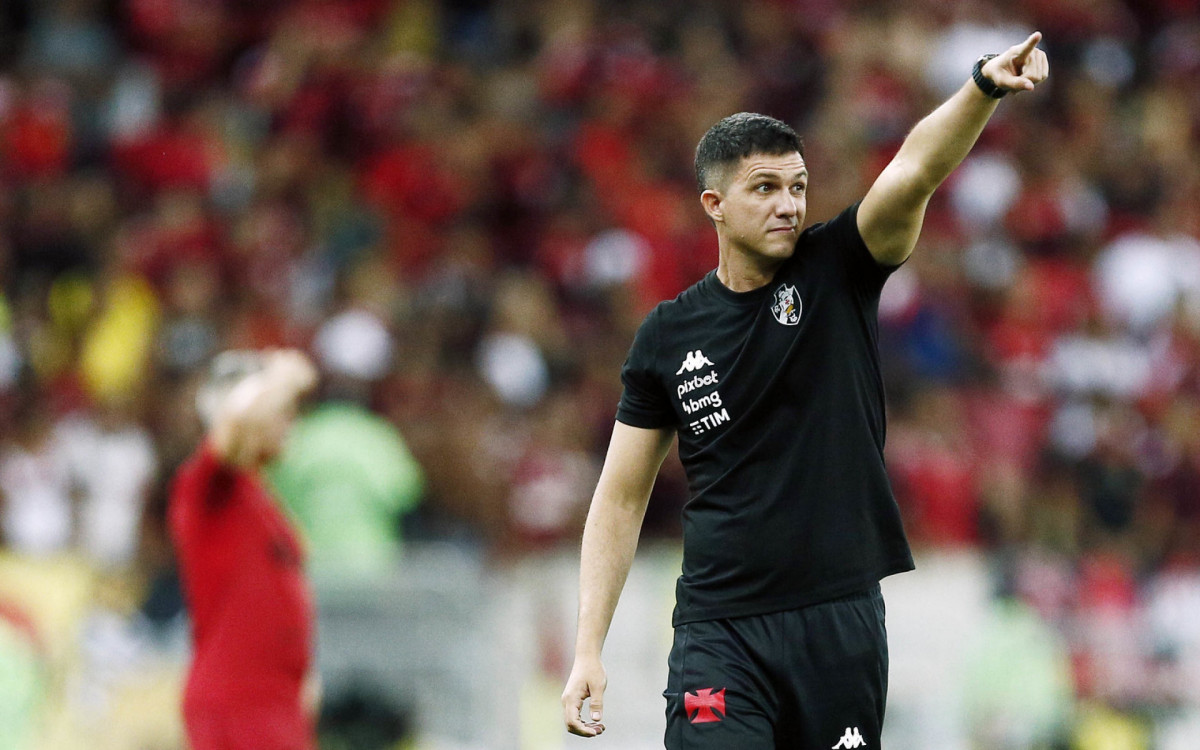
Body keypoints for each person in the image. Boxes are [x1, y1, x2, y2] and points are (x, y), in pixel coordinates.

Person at [562, 33, 1049, 749]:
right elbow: (621, 496)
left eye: (797, 187)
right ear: (715, 204)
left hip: (838, 621)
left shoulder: (838, 269)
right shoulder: (667, 334)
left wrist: (980, 88)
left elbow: (912, 171)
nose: (788, 204)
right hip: (719, 628)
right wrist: (587, 648)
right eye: (764, 189)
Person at [169, 349, 320, 750]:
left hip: (274, 703)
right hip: (239, 703)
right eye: (281, 411)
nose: (290, 422)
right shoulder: (208, 488)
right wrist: (283, 375)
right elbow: (235, 425)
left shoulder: (256, 497)